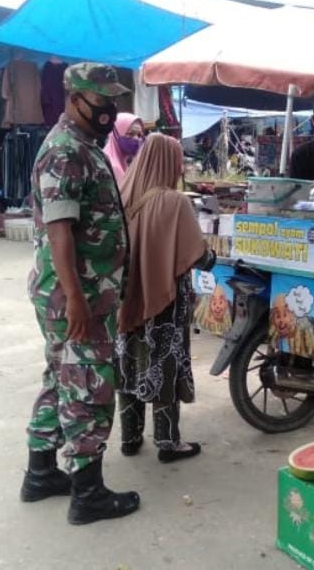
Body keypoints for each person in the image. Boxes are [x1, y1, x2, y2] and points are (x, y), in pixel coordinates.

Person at [20, 62, 139, 525]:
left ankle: (41, 472)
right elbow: (59, 230)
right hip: (76, 295)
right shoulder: (66, 150)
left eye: (113, 102)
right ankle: (88, 494)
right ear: (74, 98)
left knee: (61, 376)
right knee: (88, 385)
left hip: (79, 291)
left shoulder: (85, 145)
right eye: (100, 102)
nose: (109, 111)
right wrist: (75, 297)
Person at [115, 133, 214, 463]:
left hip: (127, 299)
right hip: (165, 304)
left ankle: (129, 438)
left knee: (131, 361)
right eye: (179, 161)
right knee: (164, 364)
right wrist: (212, 255)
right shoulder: (176, 202)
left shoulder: (123, 194)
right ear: (170, 163)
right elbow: (200, 257)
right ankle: (168, 442)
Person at [102, 113, 143, 183]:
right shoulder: (114, 166)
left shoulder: (119, 159)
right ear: (116, 134)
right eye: (130, 134)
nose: (137, 139)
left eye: (139, 135)